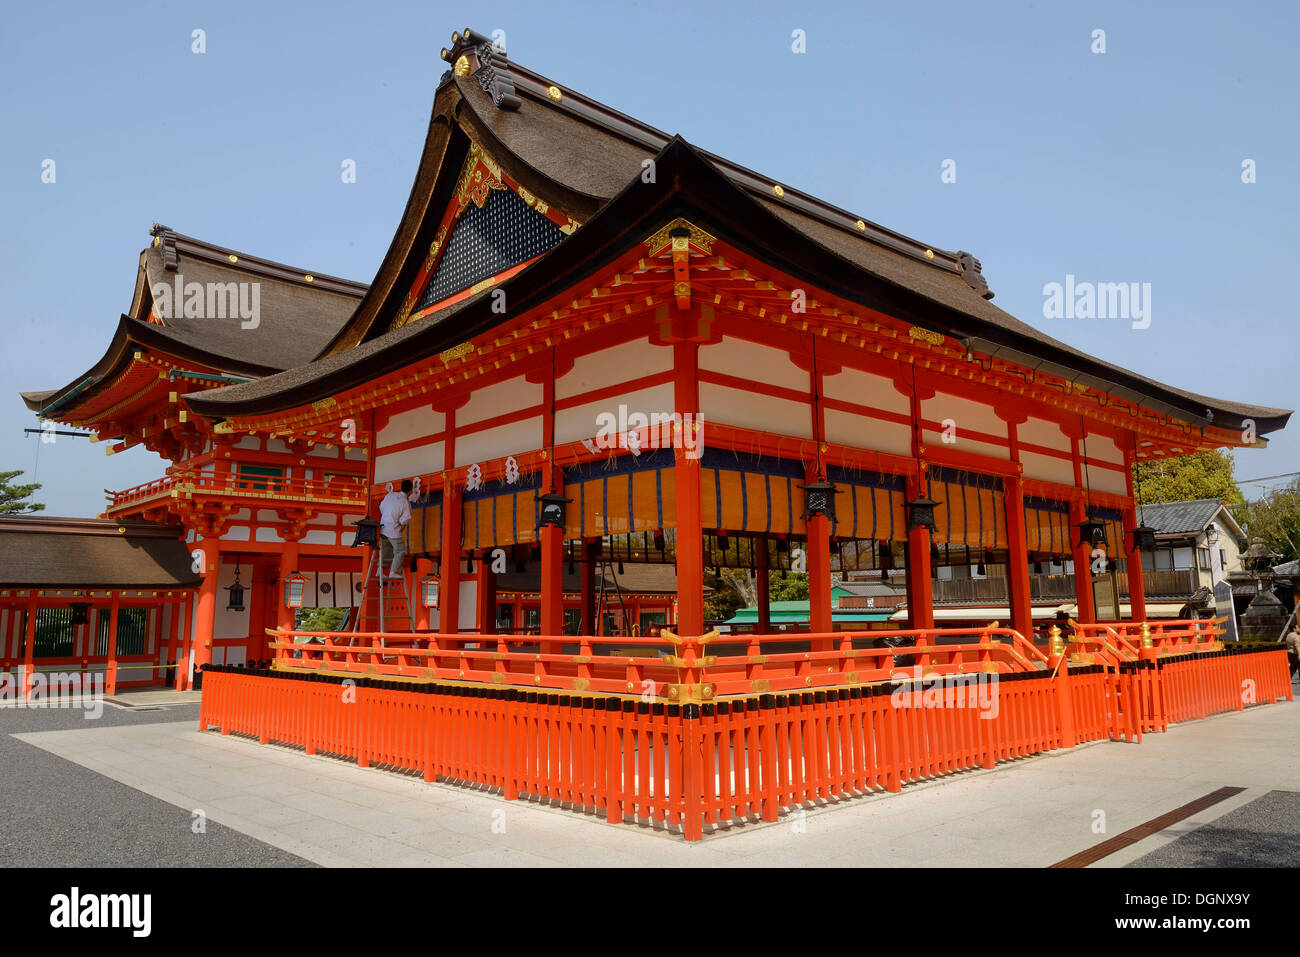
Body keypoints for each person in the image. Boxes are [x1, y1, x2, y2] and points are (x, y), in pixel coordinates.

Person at [378, 479, 412, 579]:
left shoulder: (390, 495)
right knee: (399, 551)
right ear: (410, 491)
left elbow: (381, 507)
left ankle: (379, 570)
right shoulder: (405, 502)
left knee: (386, 550)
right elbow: (404, 520)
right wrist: (401, 525)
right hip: (393, 529)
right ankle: (393, 571)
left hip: (383, 526)